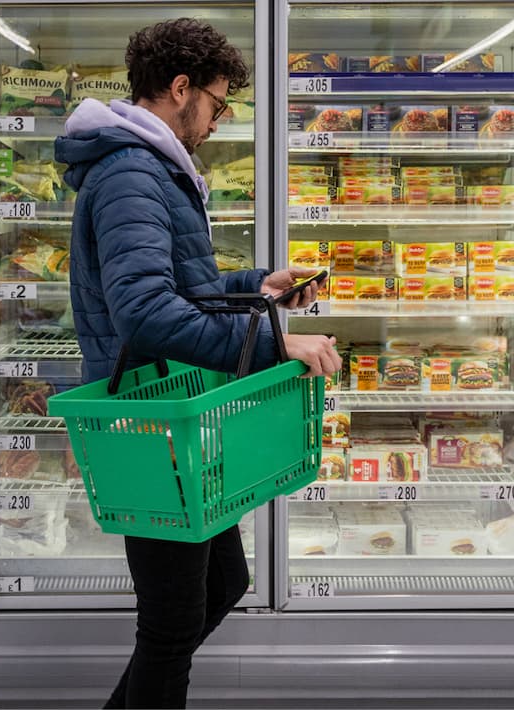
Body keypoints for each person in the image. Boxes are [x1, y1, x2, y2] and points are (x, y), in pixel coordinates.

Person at [54, 18, 341, 709]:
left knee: (221, 587)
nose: (218, 120)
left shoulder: (152, 166)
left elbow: (176, 287)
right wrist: (277, 344)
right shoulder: (131, 171)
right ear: (179, 88)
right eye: (216, 102)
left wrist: (256, 286)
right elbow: (146, 312)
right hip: (151, 421)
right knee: (172, 624)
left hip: (177, 411)